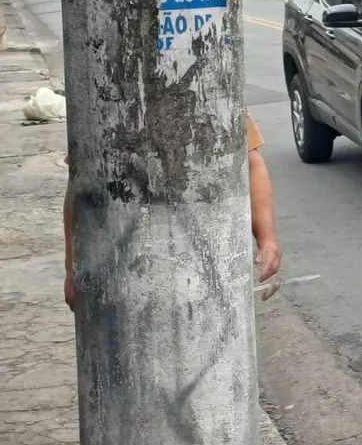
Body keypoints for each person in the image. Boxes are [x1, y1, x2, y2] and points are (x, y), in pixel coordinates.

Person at [63, 113, 281, 310]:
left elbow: (251, 164)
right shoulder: (102, 109)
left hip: (205, 263)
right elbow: (81, 187)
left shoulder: (214, 101)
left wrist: (267, 240)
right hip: (121, 272)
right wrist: (72, 270)